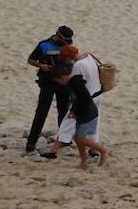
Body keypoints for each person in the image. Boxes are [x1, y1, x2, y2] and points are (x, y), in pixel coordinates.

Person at [24, 25, 74, 156]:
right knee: (41, 112)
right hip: (48, 83)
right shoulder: (44, 45)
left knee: (64, 111)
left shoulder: (68, 45)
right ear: (57, 35)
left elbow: (73, 59)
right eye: (63, 40)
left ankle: (64, 139)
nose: (65, 43)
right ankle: (31, 142)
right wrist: (41, 65)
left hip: (63, 83)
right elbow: (30, 59)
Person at [52, 63, 110, 169]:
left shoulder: (76, 84)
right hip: (82, 114)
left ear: (63, 77)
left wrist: (76, 112)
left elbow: (86, 100)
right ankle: (84, 162)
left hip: (89, 114)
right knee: (77, 139)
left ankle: (103, 150)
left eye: (58, 80)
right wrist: (73, 111)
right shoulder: (72, 83)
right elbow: (76, 101)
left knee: (81, 139)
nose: (59, 83)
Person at [53, 45, 103, 158]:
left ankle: (53, 151)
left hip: (86, 99)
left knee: (67, 123)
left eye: (64, 58)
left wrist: (74, 108)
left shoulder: (78, 65)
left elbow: (77, 86)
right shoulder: (90, 57)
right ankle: (94, 149)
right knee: (94, 124)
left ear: (68, 56)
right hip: (98, 95)